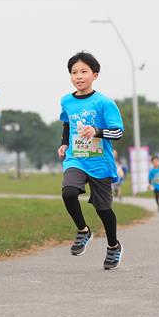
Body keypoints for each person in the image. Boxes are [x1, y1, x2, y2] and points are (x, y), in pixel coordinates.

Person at [57, 52, 124, 270]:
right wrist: (64, 143)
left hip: (99, 161)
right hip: (76, 158)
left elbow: (118, 133)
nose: (78, 76)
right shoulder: (66, 101)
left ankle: (113, 246)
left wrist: (96, 131)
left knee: (103, 209)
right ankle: (83, 231)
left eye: (84, 71)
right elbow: (67, 124)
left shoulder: (104, 103)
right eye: (74, 72)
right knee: (68, 192)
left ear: (94, 75)